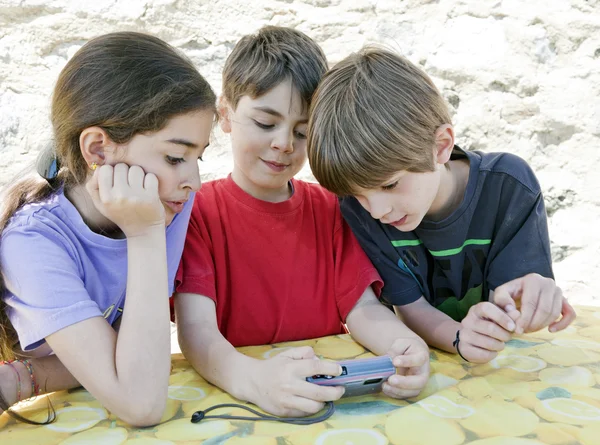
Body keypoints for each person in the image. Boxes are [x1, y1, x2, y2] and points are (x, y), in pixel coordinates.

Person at [174, 26, 430, 418]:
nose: (284, 144)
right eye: (265, 123)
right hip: (240, 401)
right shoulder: (196, 213)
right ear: (225, 115)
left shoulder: (332, 208)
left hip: (330, 400)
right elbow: (197, 332)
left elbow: (363, 308)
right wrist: (255, 381)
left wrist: (403, 346)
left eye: (302, 131)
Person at [306, 47, 576, 365]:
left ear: (441, 146)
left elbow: (511, 300)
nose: (376, 211)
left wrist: (529, 298)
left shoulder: (508, 185)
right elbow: (411, 310)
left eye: (390, 184)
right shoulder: (357, 209)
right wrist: (461, 338)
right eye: (358, 194)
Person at [0, 31, 216, 426]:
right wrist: (146, 234)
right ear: (98, 149)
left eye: (197, 157)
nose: (195, 182)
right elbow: (142, 403)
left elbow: (138, 366)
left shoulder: (167, 204)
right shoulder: (30, 244)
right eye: (175, 157)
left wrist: (33, 378)